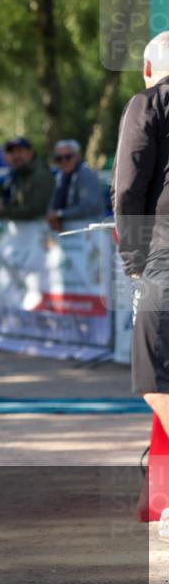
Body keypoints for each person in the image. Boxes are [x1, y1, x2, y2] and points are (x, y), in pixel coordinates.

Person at [113, 31, 169, 443]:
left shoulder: (147, 104)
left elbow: (127, 188)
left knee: (155, 377)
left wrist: (133, 262)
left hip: (164, 257)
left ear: (147, 70)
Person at [0, 137, 53, 220]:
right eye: (12, 152)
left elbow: (36, 210)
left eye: (20, 151)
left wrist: (3, 211)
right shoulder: (17, 174)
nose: (16, 156)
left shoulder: (40, 174)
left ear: (30, 153)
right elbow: (15, 203)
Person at [45, 139, 107, 232]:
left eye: (68, 157)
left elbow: (87, 207)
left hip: (90, 232)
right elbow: (51, 203)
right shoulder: (59, 176)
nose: (63, 161)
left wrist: (59, 215)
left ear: (77, 157)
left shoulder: (86, 174)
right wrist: (52, 216)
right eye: (59, 158)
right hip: (67, 233)